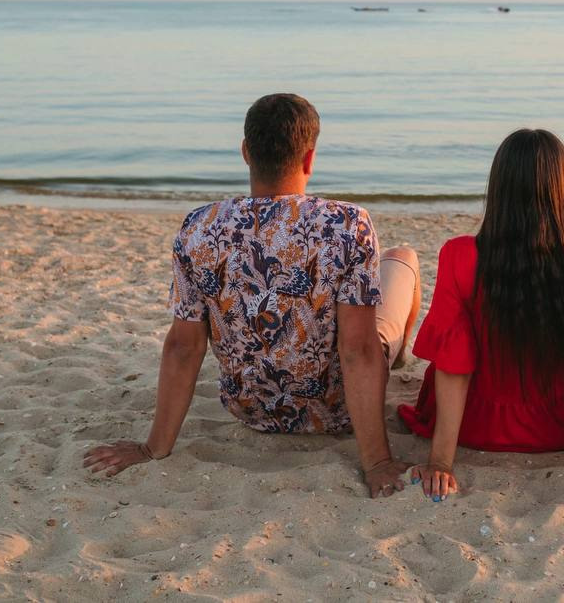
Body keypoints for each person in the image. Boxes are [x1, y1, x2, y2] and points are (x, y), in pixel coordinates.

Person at [83, 93, 421, 498]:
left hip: (252, 410)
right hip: (336, 411)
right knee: (404, 258)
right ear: (309, 158)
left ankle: (394, 358)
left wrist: (152, 447)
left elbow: (183, 348)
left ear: (245, 152)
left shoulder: (199, 228)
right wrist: (378, 463)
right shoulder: (347, 225)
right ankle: (398, 360)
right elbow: (358, 350)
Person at [398, 128, 564, 515]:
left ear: (498, 189)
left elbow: (454, 367)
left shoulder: (459, 256)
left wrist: (441, 462)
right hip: (555, 428)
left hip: (474, 426)